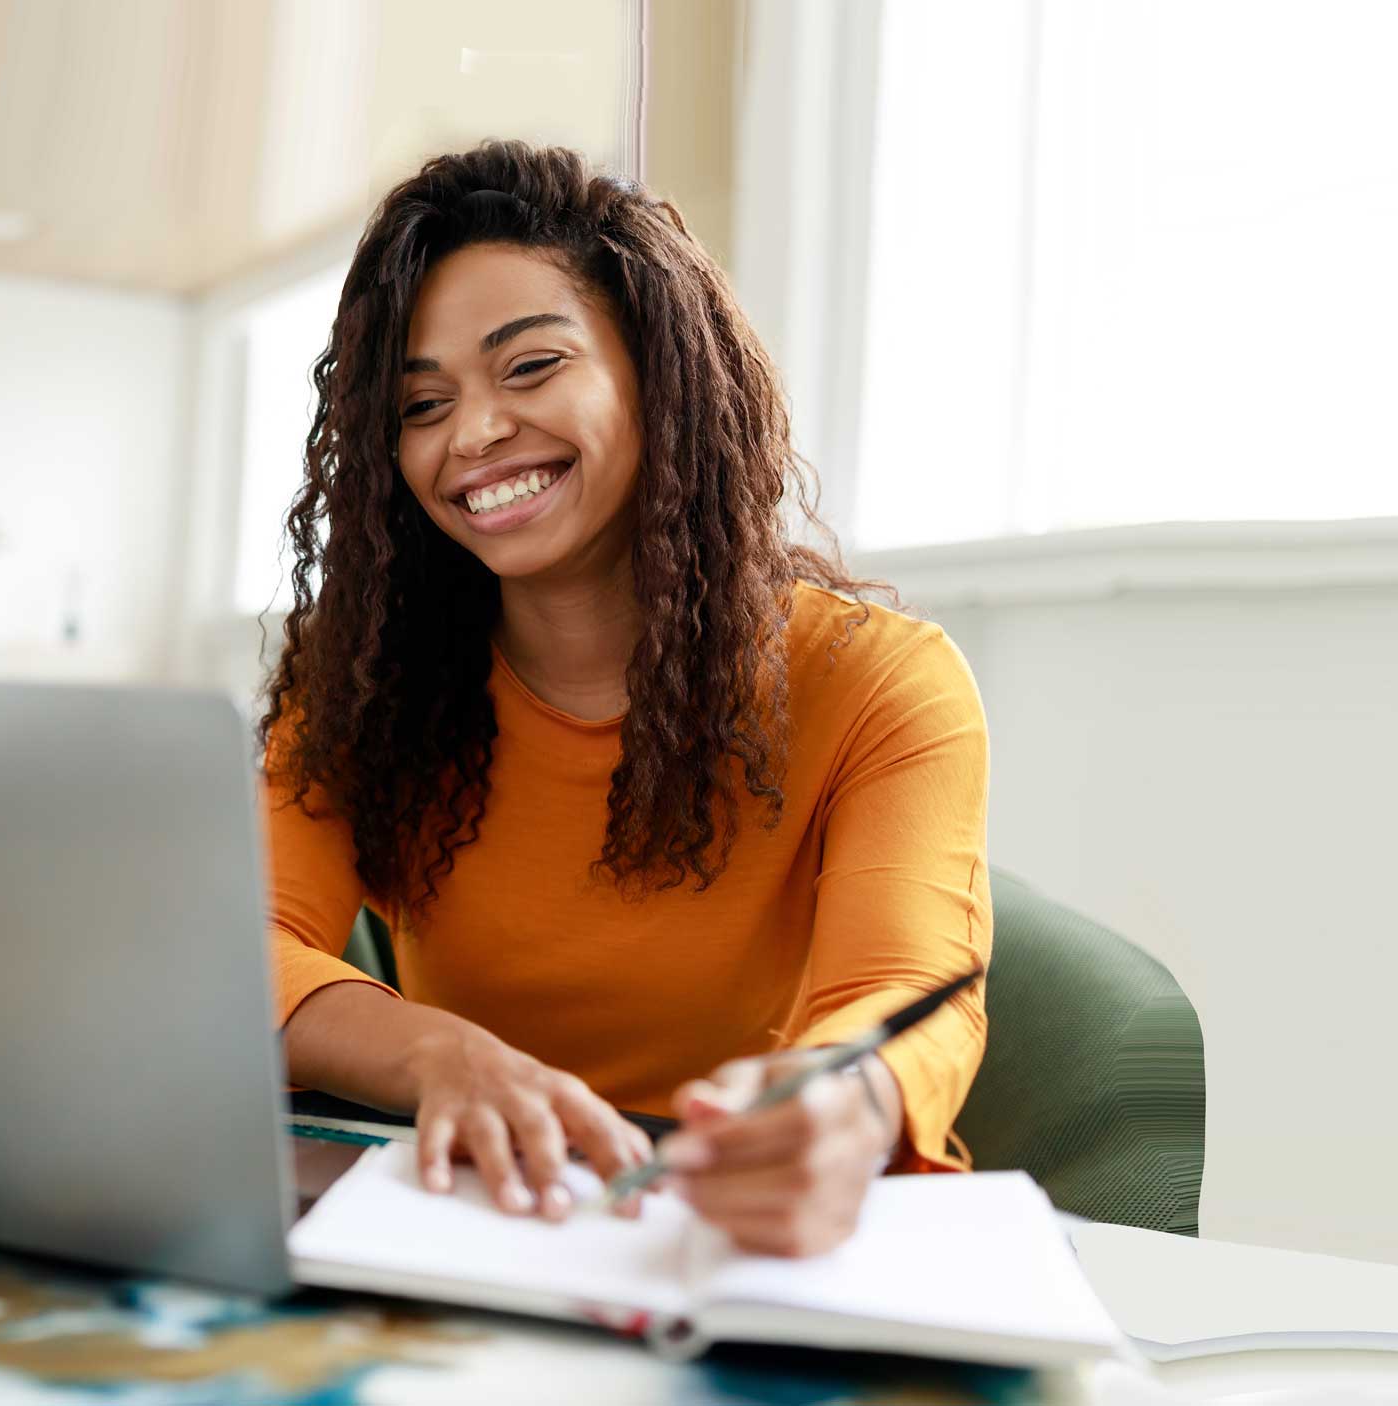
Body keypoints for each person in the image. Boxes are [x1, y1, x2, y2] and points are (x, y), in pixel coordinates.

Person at [261, 141, 990, 1257]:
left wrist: (841, 1106)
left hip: (740, 1245)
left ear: (659, 368)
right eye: (420, 402)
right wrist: (438, 1053)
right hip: (469, 1224)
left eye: (530, 365)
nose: (474, 433)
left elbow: (908, 990)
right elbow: (244, 943)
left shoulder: (882, 681)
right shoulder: (360, 680)